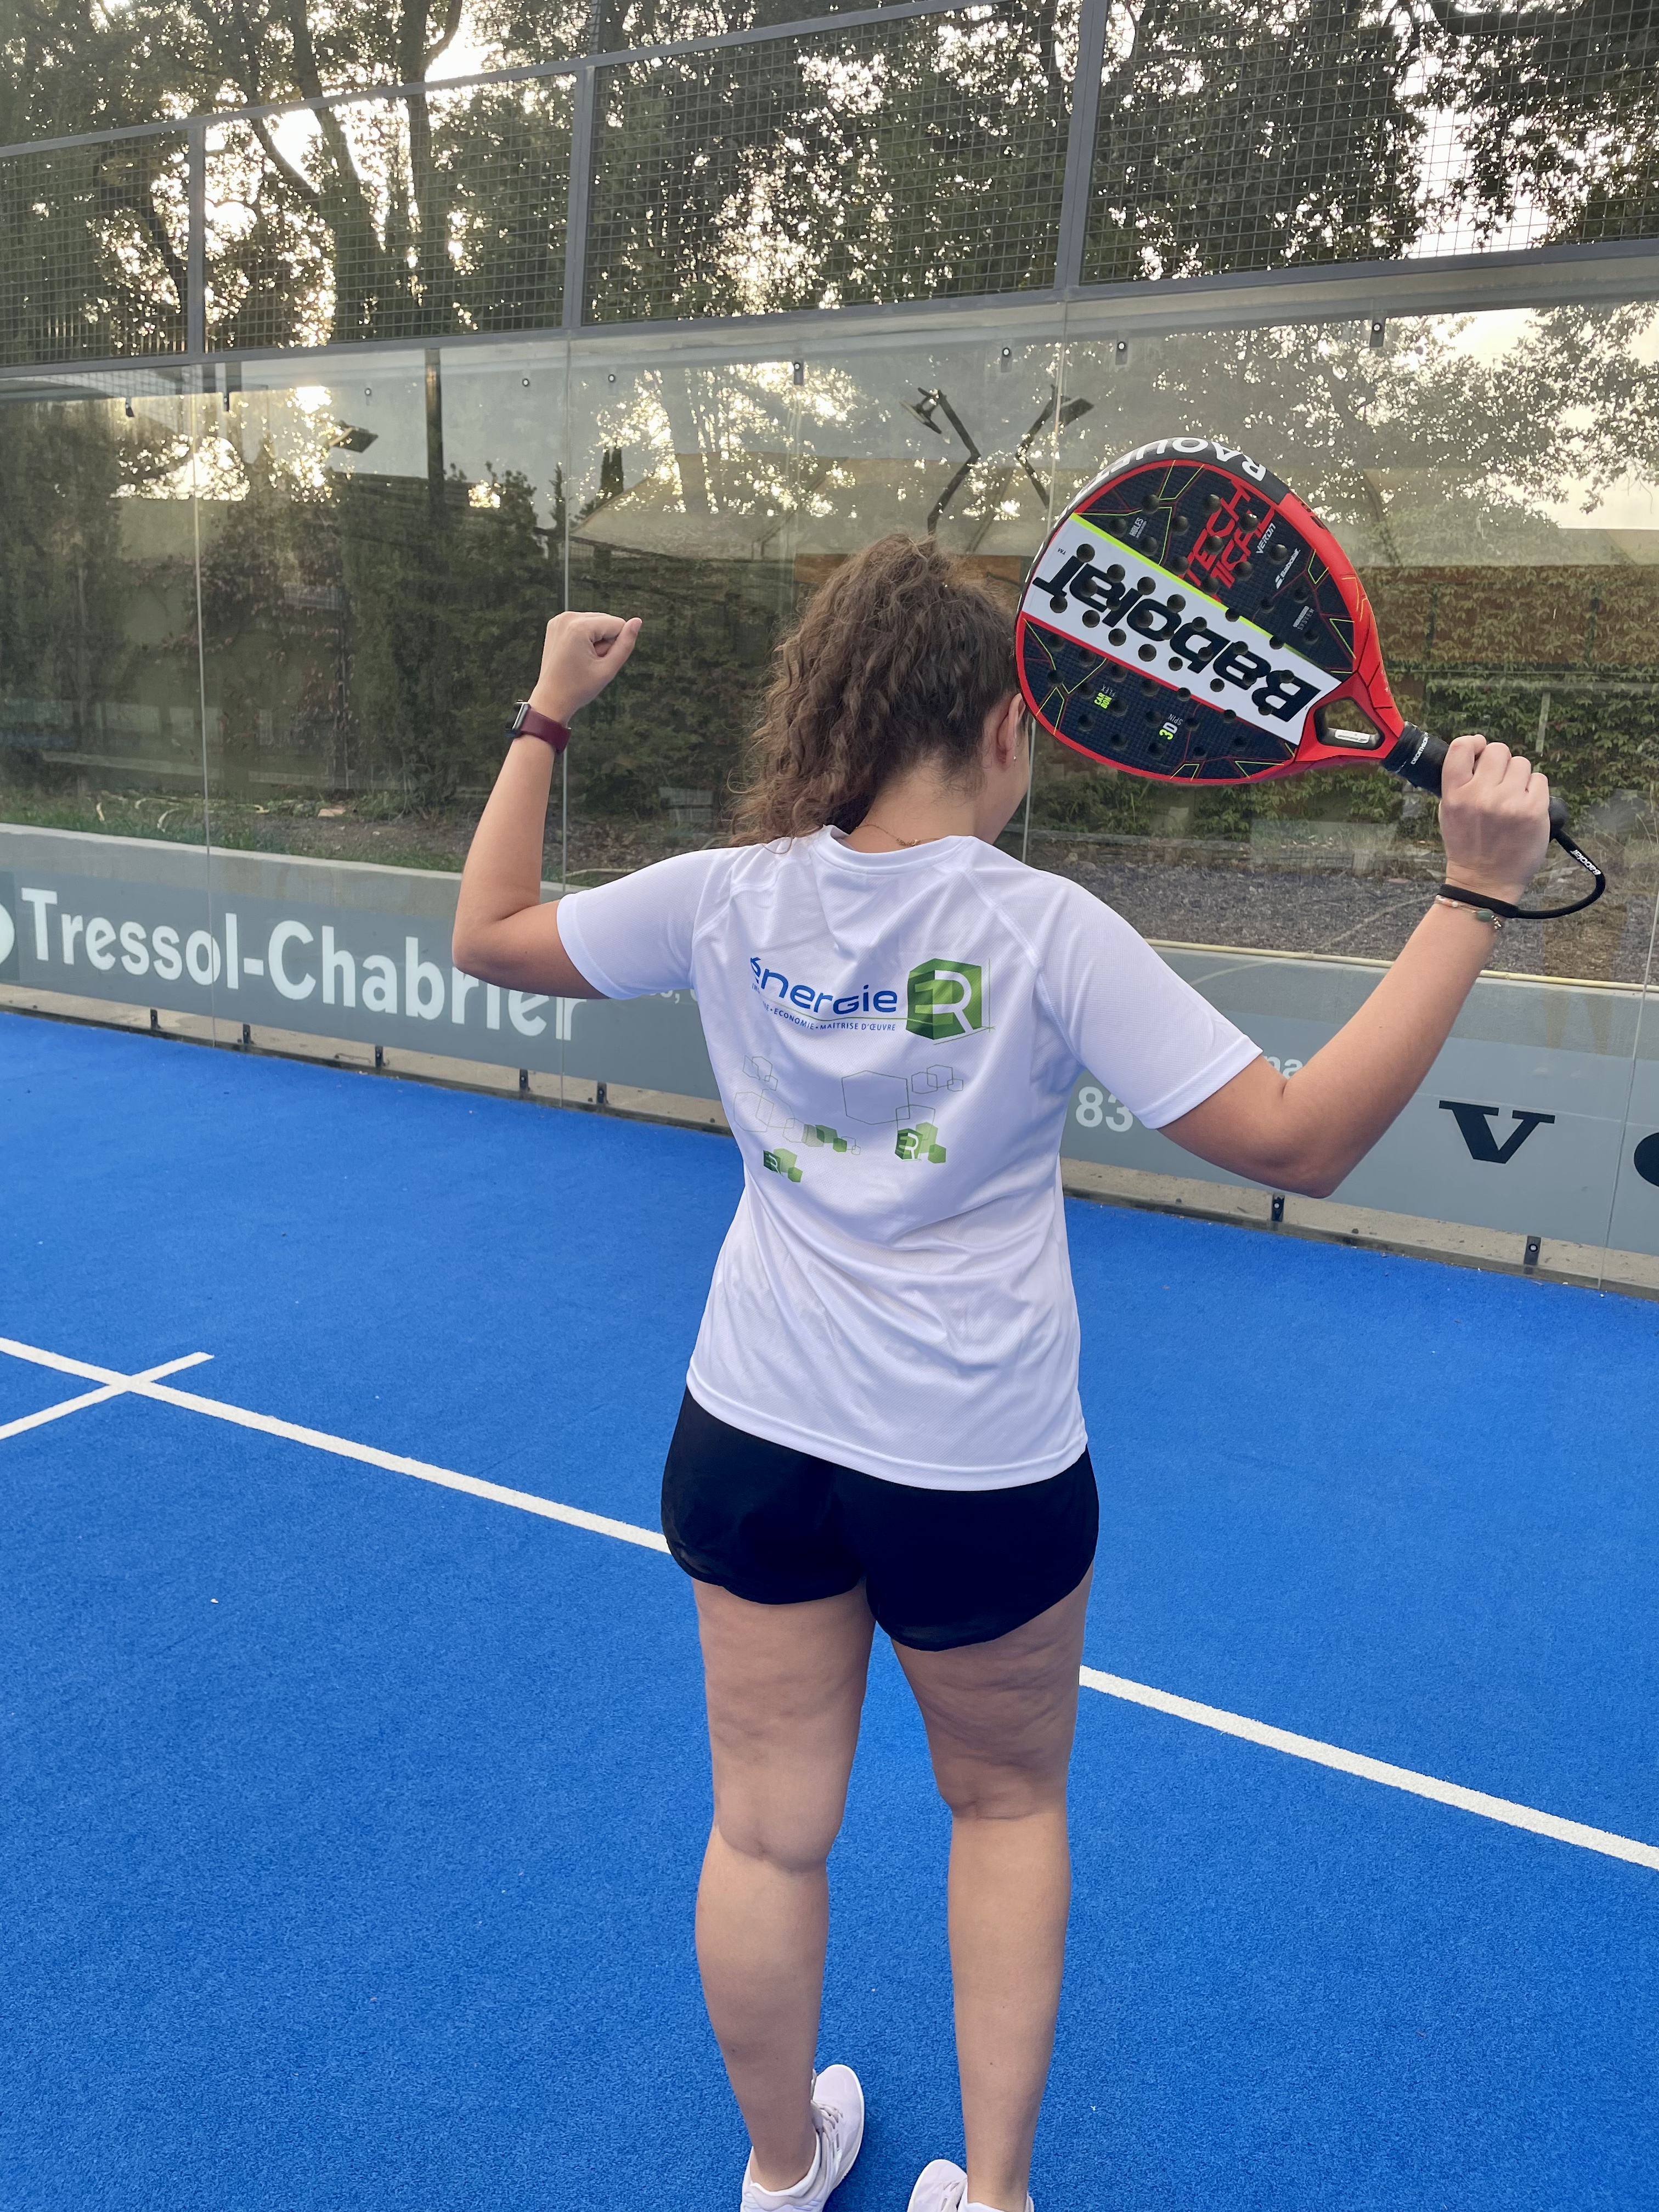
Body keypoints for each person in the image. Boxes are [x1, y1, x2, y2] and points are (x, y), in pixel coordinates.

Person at [452, 534, 1550, 2212]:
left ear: (834, 718)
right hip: (977, 1463)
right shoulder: (1044, 929)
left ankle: (779, 2171)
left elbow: (487, 933)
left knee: (763, 1831)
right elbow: (1302, 1142)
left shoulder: (729, 894)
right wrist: (1475, 895)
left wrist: (547, 710)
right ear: (1000, 728)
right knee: (1007, 1810)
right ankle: (1000, 2198)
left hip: (749, 1436)